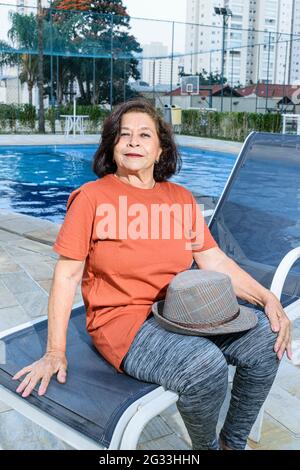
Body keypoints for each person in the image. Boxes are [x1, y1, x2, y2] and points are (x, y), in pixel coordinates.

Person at [12, 99, 291, 450]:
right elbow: (67, 276)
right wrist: (55, 351)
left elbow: (212, 258)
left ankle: (231, 442)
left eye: (144, 135)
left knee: (268, 341)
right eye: (124, 135)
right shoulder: (92, 199)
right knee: (205, 366)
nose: (133, 142)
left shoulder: (180, 198)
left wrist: (267, 298)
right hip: (124, 323)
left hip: (181, 313)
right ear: (112, 146)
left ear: (160, 150)